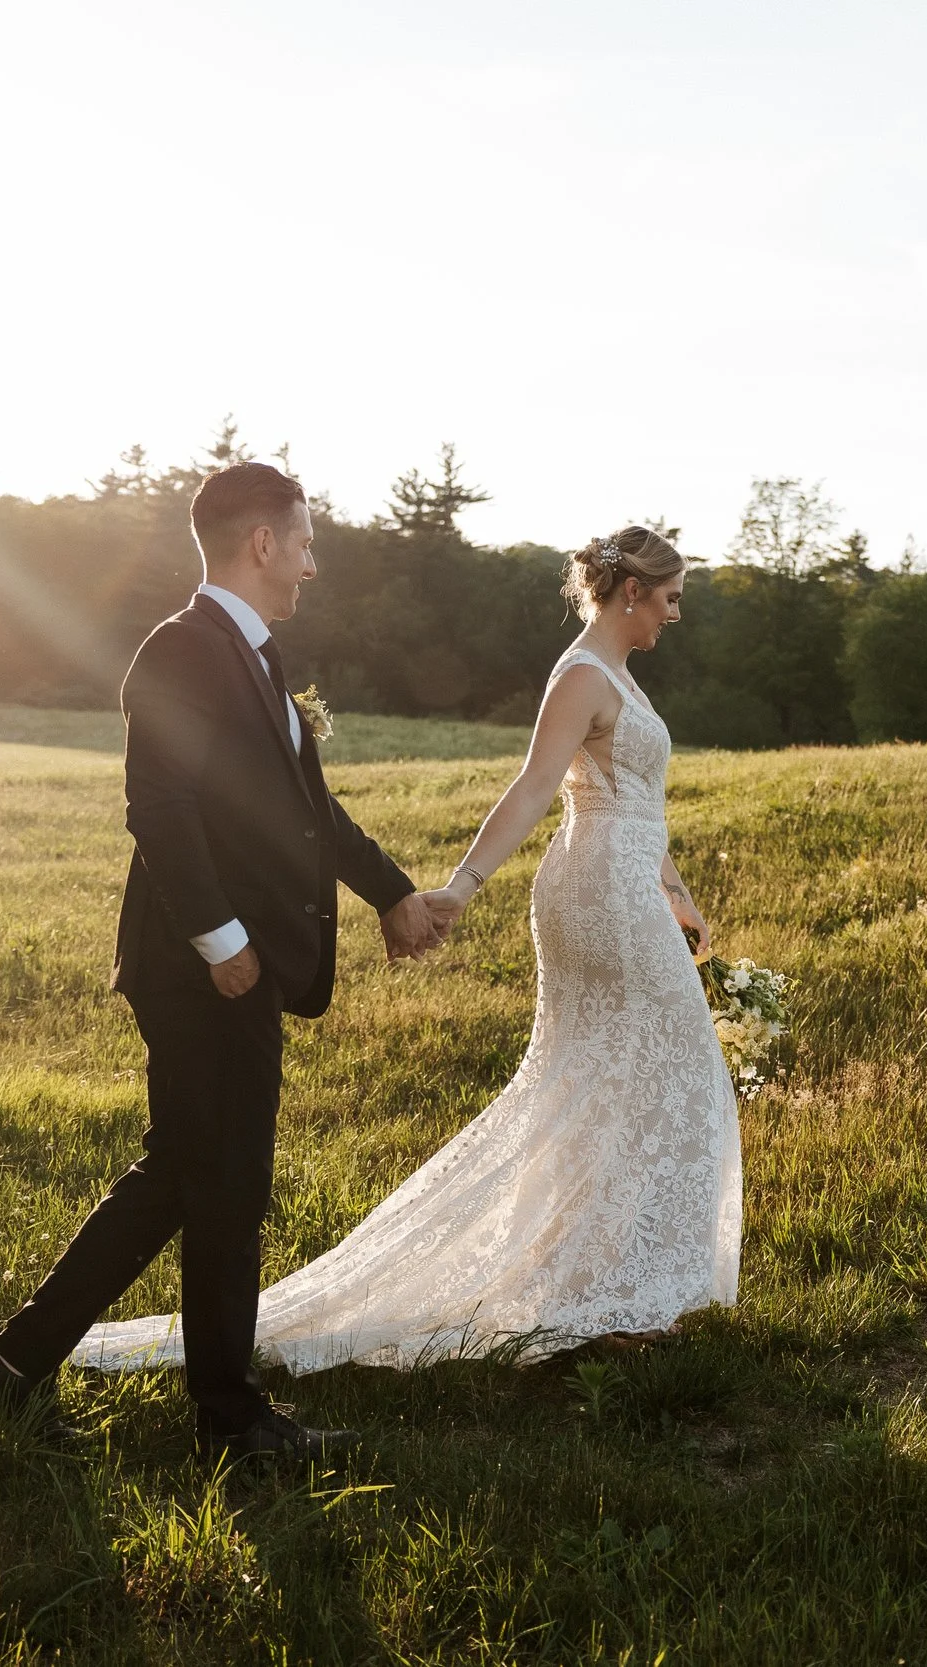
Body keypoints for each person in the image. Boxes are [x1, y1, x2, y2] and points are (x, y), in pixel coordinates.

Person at [72, 524, 741, 1380]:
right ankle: (611, 1283)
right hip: (597, 897)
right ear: (630, 592)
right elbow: (536, 785)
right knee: (665, 1063)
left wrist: (676, 891)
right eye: (672, 598)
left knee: (629, 1073)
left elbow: (641, 804)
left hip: (633, 884)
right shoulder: (580, 674)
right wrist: (459, 886)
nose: (675, 616)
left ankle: (611, 1275)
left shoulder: (623, 679)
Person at [0, 462, 452, 1463]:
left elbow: (309, 814)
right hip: (202, 965)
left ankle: (12, 1368)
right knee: (221, 1179)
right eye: (305, 542)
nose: (312, 565)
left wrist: (393, 893)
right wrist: (221, 941)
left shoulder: (259, 662)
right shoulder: (181, 649)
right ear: (260, 542)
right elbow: (161, 805)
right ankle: (227, 1416)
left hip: (237, 961)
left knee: (189, 1173)